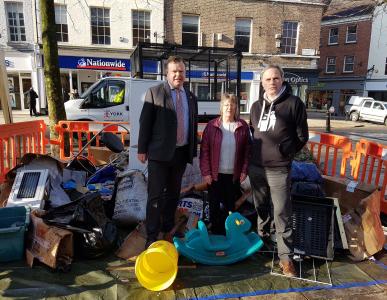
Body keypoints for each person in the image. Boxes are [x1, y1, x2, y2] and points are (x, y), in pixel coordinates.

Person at [248, 65, 308, 277]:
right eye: (267, 79)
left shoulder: (294, 104)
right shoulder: (256, 106)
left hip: (279, 169)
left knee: (281, 211)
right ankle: (262, 244)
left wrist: (286, 152)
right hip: (256, 167)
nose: (272, 82)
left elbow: (302, 136)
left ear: (282, 79)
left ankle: (286, 258)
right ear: (262, 82)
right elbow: (252, 132)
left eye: (275, 78)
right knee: (261, 208)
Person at [137, 56, 198, 249]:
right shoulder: (155, 93)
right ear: (167, 73)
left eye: (181, 71)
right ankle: (152, 236)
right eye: (174, 71)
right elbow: (145, 123)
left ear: (185, 74)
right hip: (159, 155)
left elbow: (192, 124)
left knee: (173, 194)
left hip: (180, 154)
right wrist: (142, 149)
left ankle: (168, 228)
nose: (178, 75)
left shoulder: (190, 97)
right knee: (155, 196)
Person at [199, 93, 250, 234]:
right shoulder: (212, 126)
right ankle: (215, 232)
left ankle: (229, 233)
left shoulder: (242, 126)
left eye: (232, 104)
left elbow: (247, 151)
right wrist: (206, 173)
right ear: (221, 107)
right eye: (226, 104)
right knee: (214, 205)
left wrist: (244, 170)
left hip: (233, 175)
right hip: (215, 175)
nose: (229, 107)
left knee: (230, 206)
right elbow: (204, 151)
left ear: (236, 107)